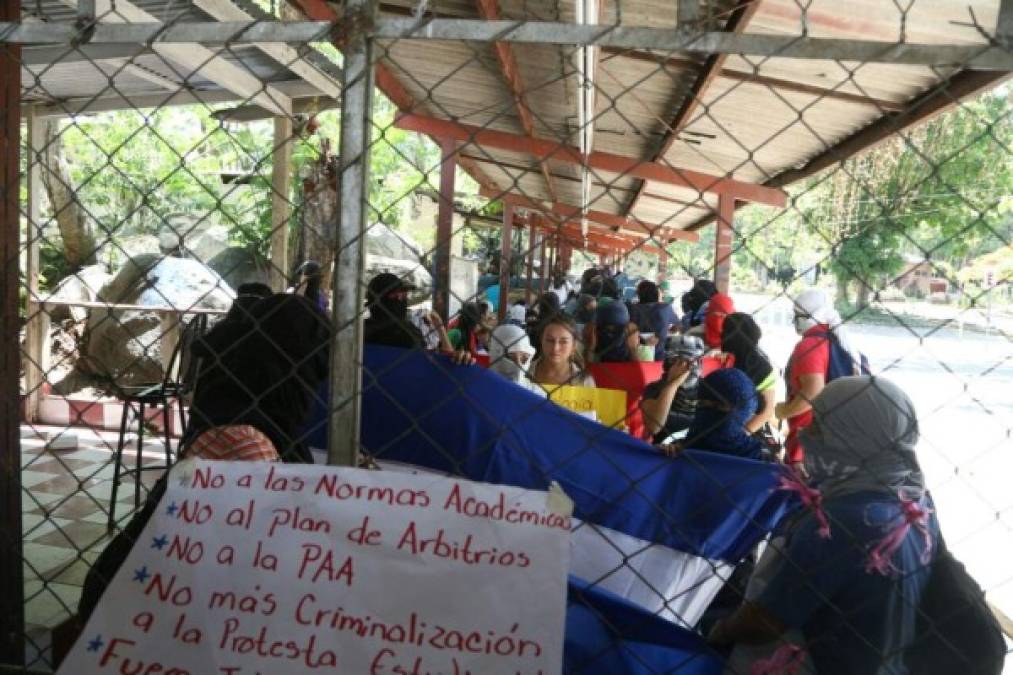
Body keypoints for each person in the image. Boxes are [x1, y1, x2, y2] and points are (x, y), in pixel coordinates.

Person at [709, 377, 939, 675]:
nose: (807, 430)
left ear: (851, 435)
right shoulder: (917, 502)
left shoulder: (837, 523)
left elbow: (764, 621)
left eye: (821, 423)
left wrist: (719, 631)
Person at [775, 288, 863, 469]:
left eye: (797, 315)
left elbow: (813, 393)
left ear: (808, 317)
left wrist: (783, 411)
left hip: (807, 444)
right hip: (835, 438)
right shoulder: (839, 340)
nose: (794, 321)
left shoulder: (810, 345)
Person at [363, 272, 473, 364]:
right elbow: (438, 365)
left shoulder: (360, 331)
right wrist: (440, 328)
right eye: (396, 296)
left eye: (403, 295)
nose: (401, 299)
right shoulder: (406, 333)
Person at [664, 368, 766, 461]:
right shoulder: (690, 441)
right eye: (702, 404)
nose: (707, 412)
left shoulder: (758, 460)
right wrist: (665, 453)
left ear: (742, 412)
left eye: (719, 406)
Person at [641, 335, 706, 443]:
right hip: (663, 452)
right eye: (676, 360)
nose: (684, 366)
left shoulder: (708, 388)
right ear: (667, 363)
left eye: (691, 361)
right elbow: (654, 427)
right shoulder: (654, 388)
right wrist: (672, 385)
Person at [721, 313, 776, 434]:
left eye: (725, 331)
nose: (721, 335)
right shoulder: (763, 365)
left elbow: (766, 412)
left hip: (745, 430)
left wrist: (740, 435)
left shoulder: (763, 368)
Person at [530, 315, 595, 388]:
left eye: (563, 342)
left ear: (573, 345)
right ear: (541, 341)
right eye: (550, 340)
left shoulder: (584, 381)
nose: (555, 348)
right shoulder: (523, 372)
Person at [628, 281, 678, 360]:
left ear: (639, 294)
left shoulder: (632, 309)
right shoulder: (665, 308)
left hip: (637, 355)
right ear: (656, 293)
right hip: (659, 355)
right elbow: (677, 327)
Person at [488, 324, 542, 394]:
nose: (519, 366)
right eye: (510, 357)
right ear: (495, 355)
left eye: (524, 358)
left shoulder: (538, 394)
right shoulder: (476, 388)